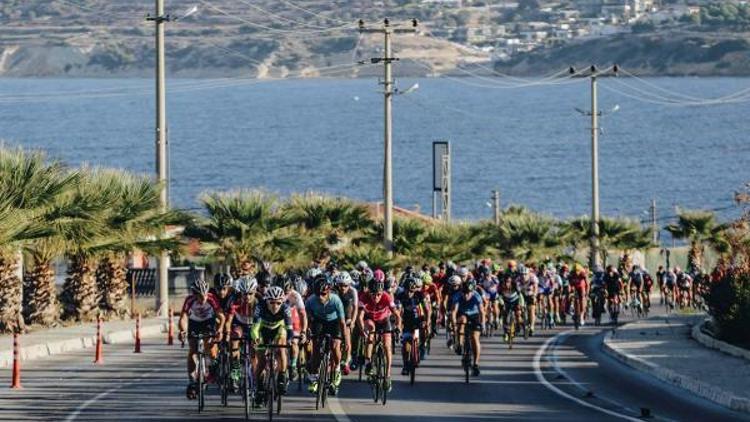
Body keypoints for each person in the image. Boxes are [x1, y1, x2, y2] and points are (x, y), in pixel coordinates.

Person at [179, 278, 226, 400]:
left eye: (205, 295)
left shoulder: (211, 298)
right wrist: (183, 330)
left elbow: (221, 316)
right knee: (192, 350)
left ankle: (213, 368)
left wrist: (220, 329)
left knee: (210, 348)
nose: (203, 298)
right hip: (194, 323)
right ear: (194, 295)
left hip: (208, 323)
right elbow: (183, 318)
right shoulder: (189, 300)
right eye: (200, 296)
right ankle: (192, 380)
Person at [358, 273, 401, 392]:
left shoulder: (387, 297)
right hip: (370, 319)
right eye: (373, 294)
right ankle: (368, 363)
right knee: (371, 329)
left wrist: (397, 327)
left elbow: (397, 315)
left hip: (384, 320)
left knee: (387, 346)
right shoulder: (364, 297)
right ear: (369, 292)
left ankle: (387, 375)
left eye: (379, 294)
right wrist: (362, 330)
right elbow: (359, 317)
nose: (376, 297)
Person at [305, 273, 347, 395]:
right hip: (319, 321)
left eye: (323, 294)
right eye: (318, 294)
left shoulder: (335, 300)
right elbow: (306, 318)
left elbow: (342, 322)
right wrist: (307, 330)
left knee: (334, 346)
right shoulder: (311, 300)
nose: (320, 297)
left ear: (328, 292)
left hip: (334, 322)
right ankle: (314, 378)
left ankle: (337, 368)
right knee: (316, 349)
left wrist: (345, 340)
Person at [250, 286, 293, 398]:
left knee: (281, 350)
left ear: (282, 302)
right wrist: (255, 338)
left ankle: (282, 378)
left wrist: (289, 340)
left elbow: (289, 329)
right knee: (261, 360)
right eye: (272, 302)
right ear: (266, 301)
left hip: (278, 329)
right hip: (262, 330)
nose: (275, 306)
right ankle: (259, 386)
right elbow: (255, 328)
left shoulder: (286, 308)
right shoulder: (260, 307)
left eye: (278, 303)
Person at [224, 276, 258, 390]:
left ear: (255, 292)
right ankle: (236, 372)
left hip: (255, 326)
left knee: (255, 349)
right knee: (235, 337)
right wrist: (228, 333)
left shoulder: (260, 301)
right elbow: (228, 320)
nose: (247, 297)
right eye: (244, 294)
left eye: (250, 294)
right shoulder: (234, 301)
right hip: (239, 324)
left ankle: (255, 374)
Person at [395, 275, 431, 375]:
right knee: (406, 345)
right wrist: (398, 325)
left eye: (412, 291)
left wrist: (427, 323)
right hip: (406, 321)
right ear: (405, 289)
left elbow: (427, 310)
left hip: (419, 320)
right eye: (408, 290)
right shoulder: (400, 296)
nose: (410, 293)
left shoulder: (420, 295)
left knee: (421, 332)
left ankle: (422, 347)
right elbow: (398, 311)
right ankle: (405, 364)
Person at [451, 279, 485, 376]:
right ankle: (460, 344)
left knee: (475, 337)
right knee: (462, 320)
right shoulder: (457, 296)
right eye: (464, 293)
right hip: (462, 313)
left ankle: (476, 364)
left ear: (472, 291)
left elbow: (482, 312)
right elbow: (454, 311)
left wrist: (483, 324)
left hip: (475, 315)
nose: (466, 296)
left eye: (468, 293)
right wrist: (454, 323)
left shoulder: (476, 296)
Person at [281, 274, 307, 382]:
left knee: (294, 342)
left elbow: (302, 314)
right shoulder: (276, 292)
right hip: (281, 320)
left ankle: (293, 365)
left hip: (293, 320)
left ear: (292, 288)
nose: (285, 294)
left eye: (287, 292)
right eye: (284, 292)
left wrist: (304, 331)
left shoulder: (296, 296)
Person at [334, 271, 358, 375]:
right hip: (336, 317)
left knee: (347, 338)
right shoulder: (334, 291)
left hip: (347, 317)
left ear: (349, 284)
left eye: (345, 285)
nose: (343, 288)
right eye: (340, 285)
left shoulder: (353, 291)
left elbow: (356, 308)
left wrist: (352, 321)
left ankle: (347, 360)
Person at [500, 273, 522, 342]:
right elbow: (499, 296)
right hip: (506, 301)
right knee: (505, 316)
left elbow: (520, 296)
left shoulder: (515, 285)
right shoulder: (501, 286)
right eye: (506, 282)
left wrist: (521, 305)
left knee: (518, 313)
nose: (507, 284)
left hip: (515, 301)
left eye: (509, 282)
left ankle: (518, 325)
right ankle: (506, 333)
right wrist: (502, 304)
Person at [520, 265, 538, 336]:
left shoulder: (533, 277)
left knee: (531, 309)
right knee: (519, 309)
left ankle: (532, 326)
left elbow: (536, 288)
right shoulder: (518, 279)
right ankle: (522, 323)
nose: (523, 276)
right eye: (522, 274)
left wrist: (534, 296)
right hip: (522, 295)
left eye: (525, 274)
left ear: (528, 274)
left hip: (531, 294)